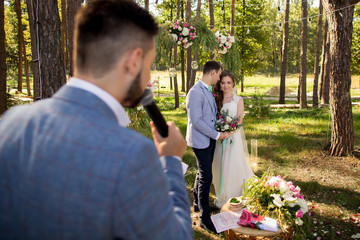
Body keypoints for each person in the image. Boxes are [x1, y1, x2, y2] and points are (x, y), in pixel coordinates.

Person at [0, 1, 193, 239]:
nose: (149, 76)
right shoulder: (131, 154)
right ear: (133, 62)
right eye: (149, 65)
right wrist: (171, 160)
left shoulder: (10, 121)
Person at [185, 61, 230, 233]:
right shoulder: (195, 92)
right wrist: (217, 135)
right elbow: (196, 121)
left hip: (208, 139)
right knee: (206, 176)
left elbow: (209, 115)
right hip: (200, 141)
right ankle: (204, 218)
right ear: (212, 73)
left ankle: (197, 204)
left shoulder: (206, 90)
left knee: (202, 172)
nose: (219, 79)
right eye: (219, 75)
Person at [212, 70, 254, 208]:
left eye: (228, 82)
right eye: (223, 82)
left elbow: (239, 121)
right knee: (219, 165)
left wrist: (228, 133)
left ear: (233, 83)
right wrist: (220, 133)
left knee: (232, 165)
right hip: (219, 138)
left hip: (232, 138)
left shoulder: (238, 100)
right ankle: (221, 194)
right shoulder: (216, 99)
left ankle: (234, 196)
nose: (225, 85)